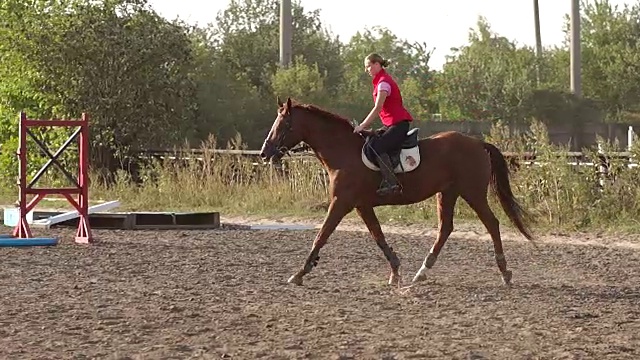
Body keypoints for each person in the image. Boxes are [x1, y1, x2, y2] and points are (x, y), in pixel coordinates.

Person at [353, 52, 413, 196]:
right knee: (372, 142)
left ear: (377, 64)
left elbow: (378, 107)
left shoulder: (383, 83)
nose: (367, 70)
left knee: (377, 147)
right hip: (391, 124)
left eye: (368, 66)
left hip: (398, 124)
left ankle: (392, 183)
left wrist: (362, 125)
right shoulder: (380, 82)